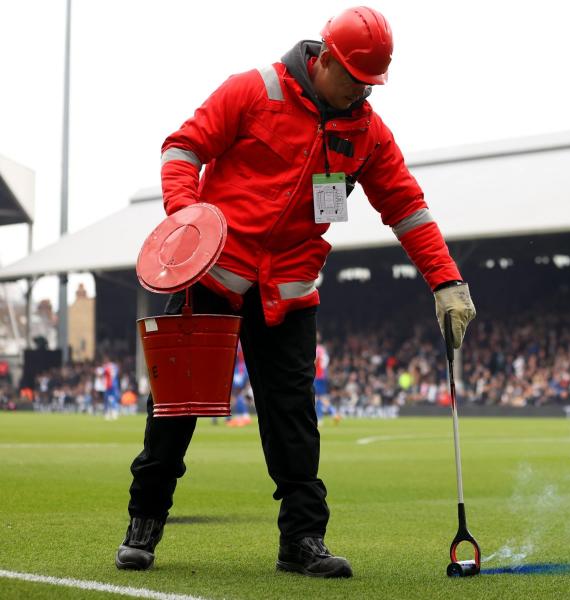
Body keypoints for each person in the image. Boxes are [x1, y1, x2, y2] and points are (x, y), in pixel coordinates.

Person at [116, 6, 476, 579]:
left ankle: (302, 541)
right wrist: (187, 222)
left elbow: (407, 208)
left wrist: (447, 280)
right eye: (355, 78)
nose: (362, 91)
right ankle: (144, 525)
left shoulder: (368, 133)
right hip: (209, 282)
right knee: (174, 414)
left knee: (293, 422)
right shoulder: (252, 90)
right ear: (326, 58)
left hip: (288, 295)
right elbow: (183, 148)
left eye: (371, 83)